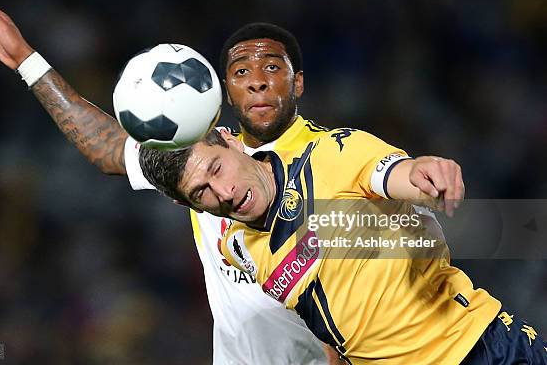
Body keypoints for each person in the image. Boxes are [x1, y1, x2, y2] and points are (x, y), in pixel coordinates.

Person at [0, 1, 336, 363]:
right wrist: (26, 60)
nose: (257, 84)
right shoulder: (197, 156)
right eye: (242, 73)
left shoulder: (333, 167)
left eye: (272, 70)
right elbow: (108, 149)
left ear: (297, 83)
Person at [138, 128, 547, 364]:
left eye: (217, 167)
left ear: (229, 140)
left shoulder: (329, 155)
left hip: (477, 350)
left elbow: (393, 174)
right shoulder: (240, 250)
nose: (223, 191)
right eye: (201, 192)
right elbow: (329, 327)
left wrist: (423, 174)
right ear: (185, 204)